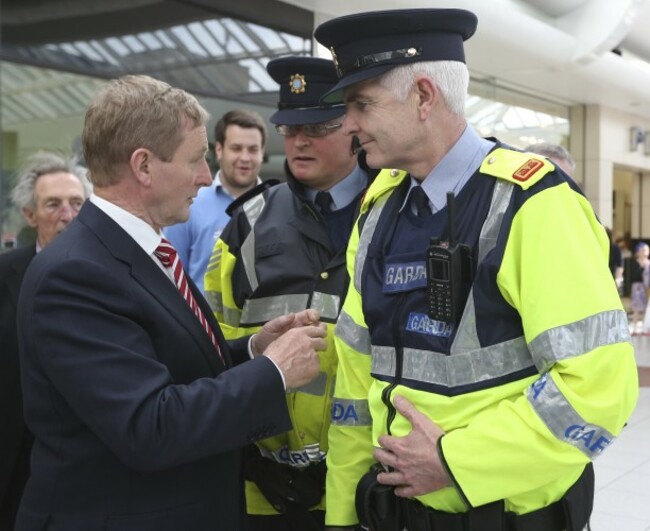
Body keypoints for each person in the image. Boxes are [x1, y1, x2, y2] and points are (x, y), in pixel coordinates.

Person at [313, 8, 638, 530]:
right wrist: (343, 514)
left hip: (506, 515)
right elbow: (354, 378)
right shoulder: (379, 209)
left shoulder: (532, 203)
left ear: (423, 96)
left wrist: (455, 462)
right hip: (393, 513)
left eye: (362, 103)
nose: (348, 124)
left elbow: (598, 389)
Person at [14, 74, 326, 531]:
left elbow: (166, 365)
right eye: (197, 158)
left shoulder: (135, 250)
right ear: (143, 166)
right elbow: (149, 425)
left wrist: (253, 349)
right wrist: (273, 372)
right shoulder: (76, 274)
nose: (205, 176)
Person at [203, 56, 375, 531]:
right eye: (289, 127)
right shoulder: (247, 223)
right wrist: (250, 460)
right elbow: (214, 349)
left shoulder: (398, 212)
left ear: (354, 129)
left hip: (370, 483)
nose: (299, 140)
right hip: (266, 490)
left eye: (317, 127)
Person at [0, 152, 90, 531]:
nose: (67, 215)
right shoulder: (5, 274)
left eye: (76, 204)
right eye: (53, 204)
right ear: (30, 214)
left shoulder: (110, 274)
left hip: (85, 454)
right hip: (15, 449)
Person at [165, 109, 266, 292]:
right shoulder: (189, 203)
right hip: (200, 320)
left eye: (253, 149)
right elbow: (172, 277)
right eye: (236, 148)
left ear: (262, 152)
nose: (245, 158)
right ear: (219, 150)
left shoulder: (276, 206)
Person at [629, 242, 649, 334]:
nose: (644, 252)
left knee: (646, 308)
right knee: (636, 308)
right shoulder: (634, 262)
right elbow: (633, 275)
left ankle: (645, 328)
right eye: (642, 250)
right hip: (637, 287)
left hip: (647, 287)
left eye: (646, 250)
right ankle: (634, 328)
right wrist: (642, 267)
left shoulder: (648, 263)